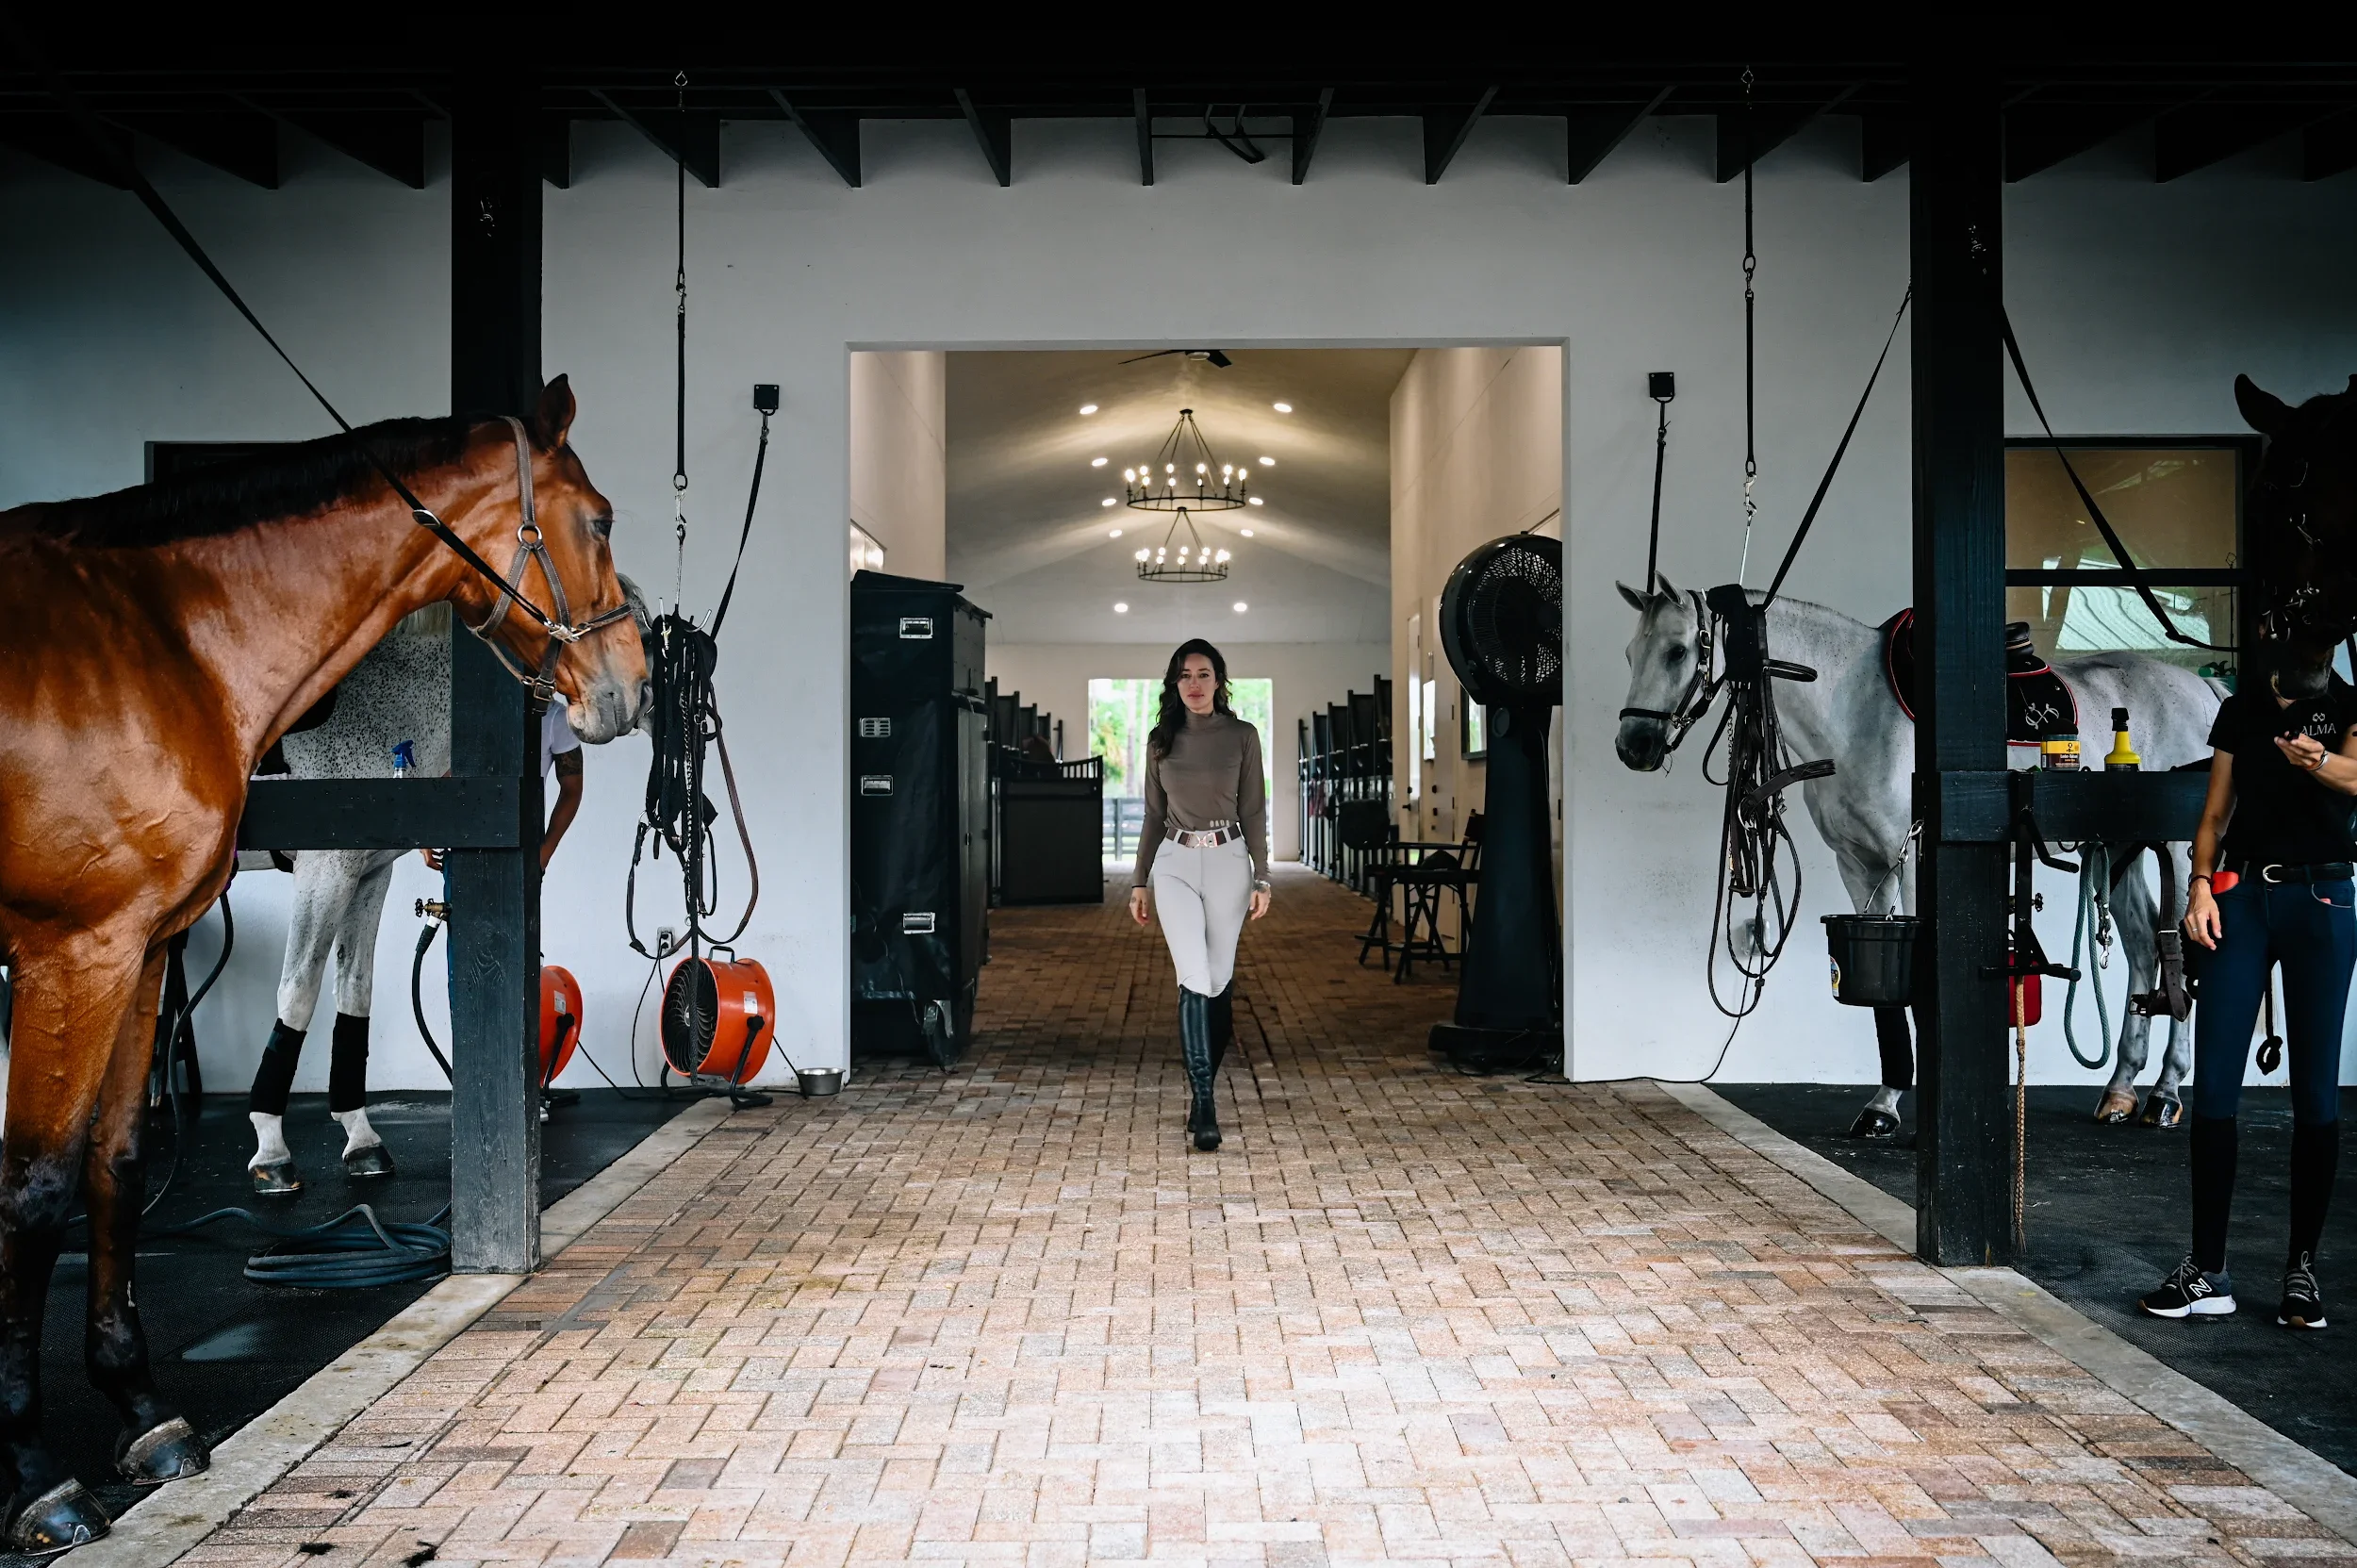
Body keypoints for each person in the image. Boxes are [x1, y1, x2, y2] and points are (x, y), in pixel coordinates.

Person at [246, 702, 585, 1195]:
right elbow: (446, 771)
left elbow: (570, 786)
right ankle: (268, 1124)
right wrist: (430, 823)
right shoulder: (467, 716)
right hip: (471, 852)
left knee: (393, 979)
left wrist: (541, 856)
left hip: (510, 858)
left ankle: (373, 1114)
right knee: (336, 978)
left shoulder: (553, 716)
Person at [2138, 648, 2354, 1329]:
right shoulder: (2242, 710)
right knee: (2216, 1082)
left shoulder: (2351, 706)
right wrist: (2199, 885)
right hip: (2242, 899)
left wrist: (2317, 760)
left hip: (2324, 899)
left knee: (2316, 1092)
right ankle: (2209, 1270)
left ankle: (2303, 1269)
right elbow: (2214, 814)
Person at [1129, 640, 1271, 1150]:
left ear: (1218, 681)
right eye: (1185, 674)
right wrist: (1140, 880)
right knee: (1194, 976)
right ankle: (1204, 1101)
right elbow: (1151, 814)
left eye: (1203, 674)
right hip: (1175, 863)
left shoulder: (1243, 736)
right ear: (1174, 683)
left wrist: (1263, 875)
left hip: (1230, 861)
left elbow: (1253, 809)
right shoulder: (1159, 741)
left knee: (1219, 979)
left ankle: (1204, 1088)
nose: (1194, 683)